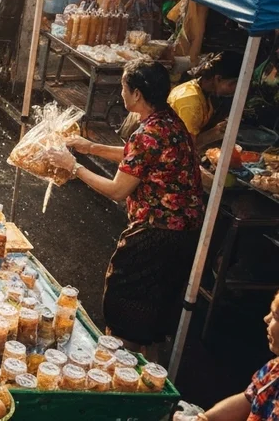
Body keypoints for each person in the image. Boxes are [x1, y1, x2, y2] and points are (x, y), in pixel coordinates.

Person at [43, 58, 204, 356]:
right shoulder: (169, 122)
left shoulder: (148, 134)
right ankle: (149, 368)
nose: (121, 93)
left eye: (123, 87)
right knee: (154, 313)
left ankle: (120, 365)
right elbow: (137, 156)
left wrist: (73, 166)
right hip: (184, 234)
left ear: (137, 94)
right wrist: (91, 147)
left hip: (156, 234)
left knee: (126, 307)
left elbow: (118, 190)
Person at [193, 289, 279, 420]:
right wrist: (203, 418)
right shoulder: (274, 368)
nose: (266, 319)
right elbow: (249, 399)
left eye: (275, 316)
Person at [168, 51, 242, 146]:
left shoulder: (204, 91)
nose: (236, 89)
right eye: (233, 83)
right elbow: (187, 145)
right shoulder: (190, 101)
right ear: (218, 79)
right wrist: (214, 133)